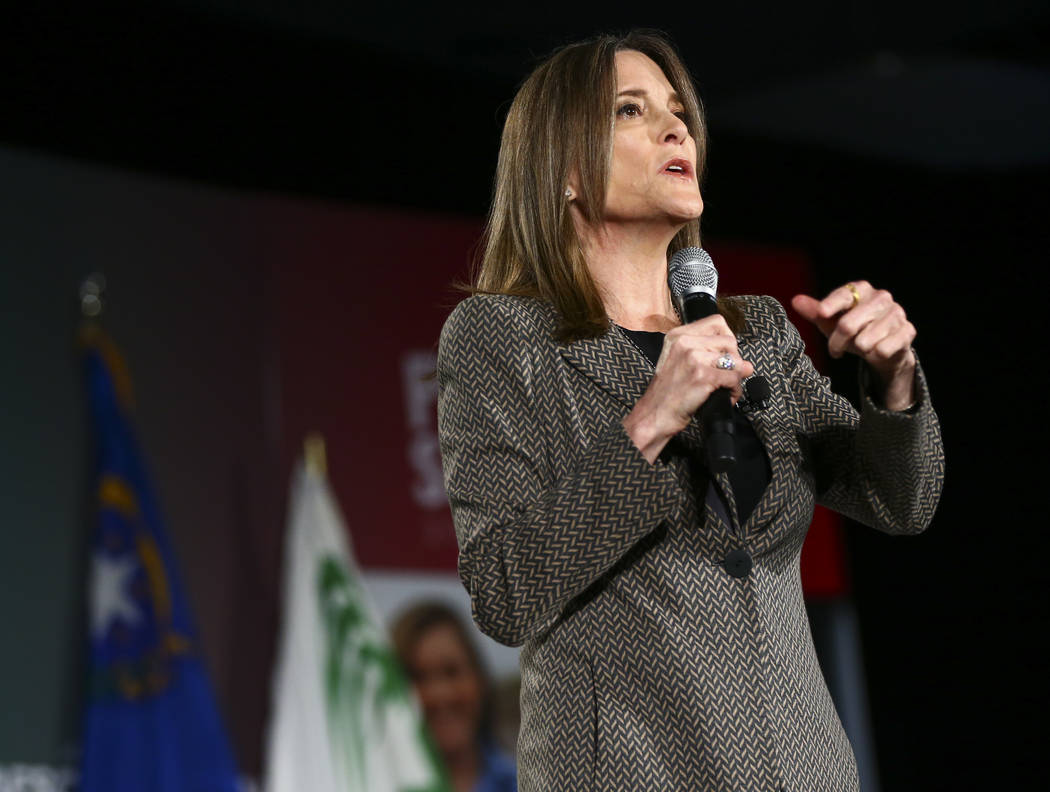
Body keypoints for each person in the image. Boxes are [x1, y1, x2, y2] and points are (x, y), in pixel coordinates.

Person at [436, 30, 944, 792]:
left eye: (678, 111)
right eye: (631, 111)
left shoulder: (758, 334)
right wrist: (650, 421)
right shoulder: (503, 337)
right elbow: (506, 589)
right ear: (565, 170)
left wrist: (895, 378)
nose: (677, 128)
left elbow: (899, 501)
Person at [391, 602, 517, 792]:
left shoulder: (526, 784)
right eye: (419, 677)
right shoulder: (363, 783)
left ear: (479, 679)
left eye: (452, 672)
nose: (440, 694)